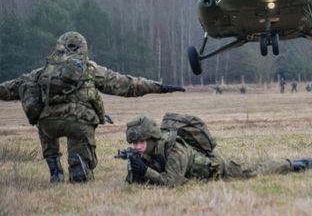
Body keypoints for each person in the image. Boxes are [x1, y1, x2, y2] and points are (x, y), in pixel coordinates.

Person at [0, 31, 185, 184]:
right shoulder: (90, 69)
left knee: (45, 127)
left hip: (48, 123)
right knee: (80, 162)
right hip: (78, 122)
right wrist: (160, 87)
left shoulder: (44, 71)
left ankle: (54, 167)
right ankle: (78, 168)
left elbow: (13, 88)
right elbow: (128, 85)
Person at [123, 116, 312, 187]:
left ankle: (297, 164)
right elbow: (139, 179)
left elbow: (172, 182)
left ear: (151, 138)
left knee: (253, 170)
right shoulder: (147, 151)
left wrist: (145, 171)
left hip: (217, 170)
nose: (136, 147)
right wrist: (134, 169)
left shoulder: (175, 149)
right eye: (133, 144)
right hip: (200, 170)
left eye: (139, 142)